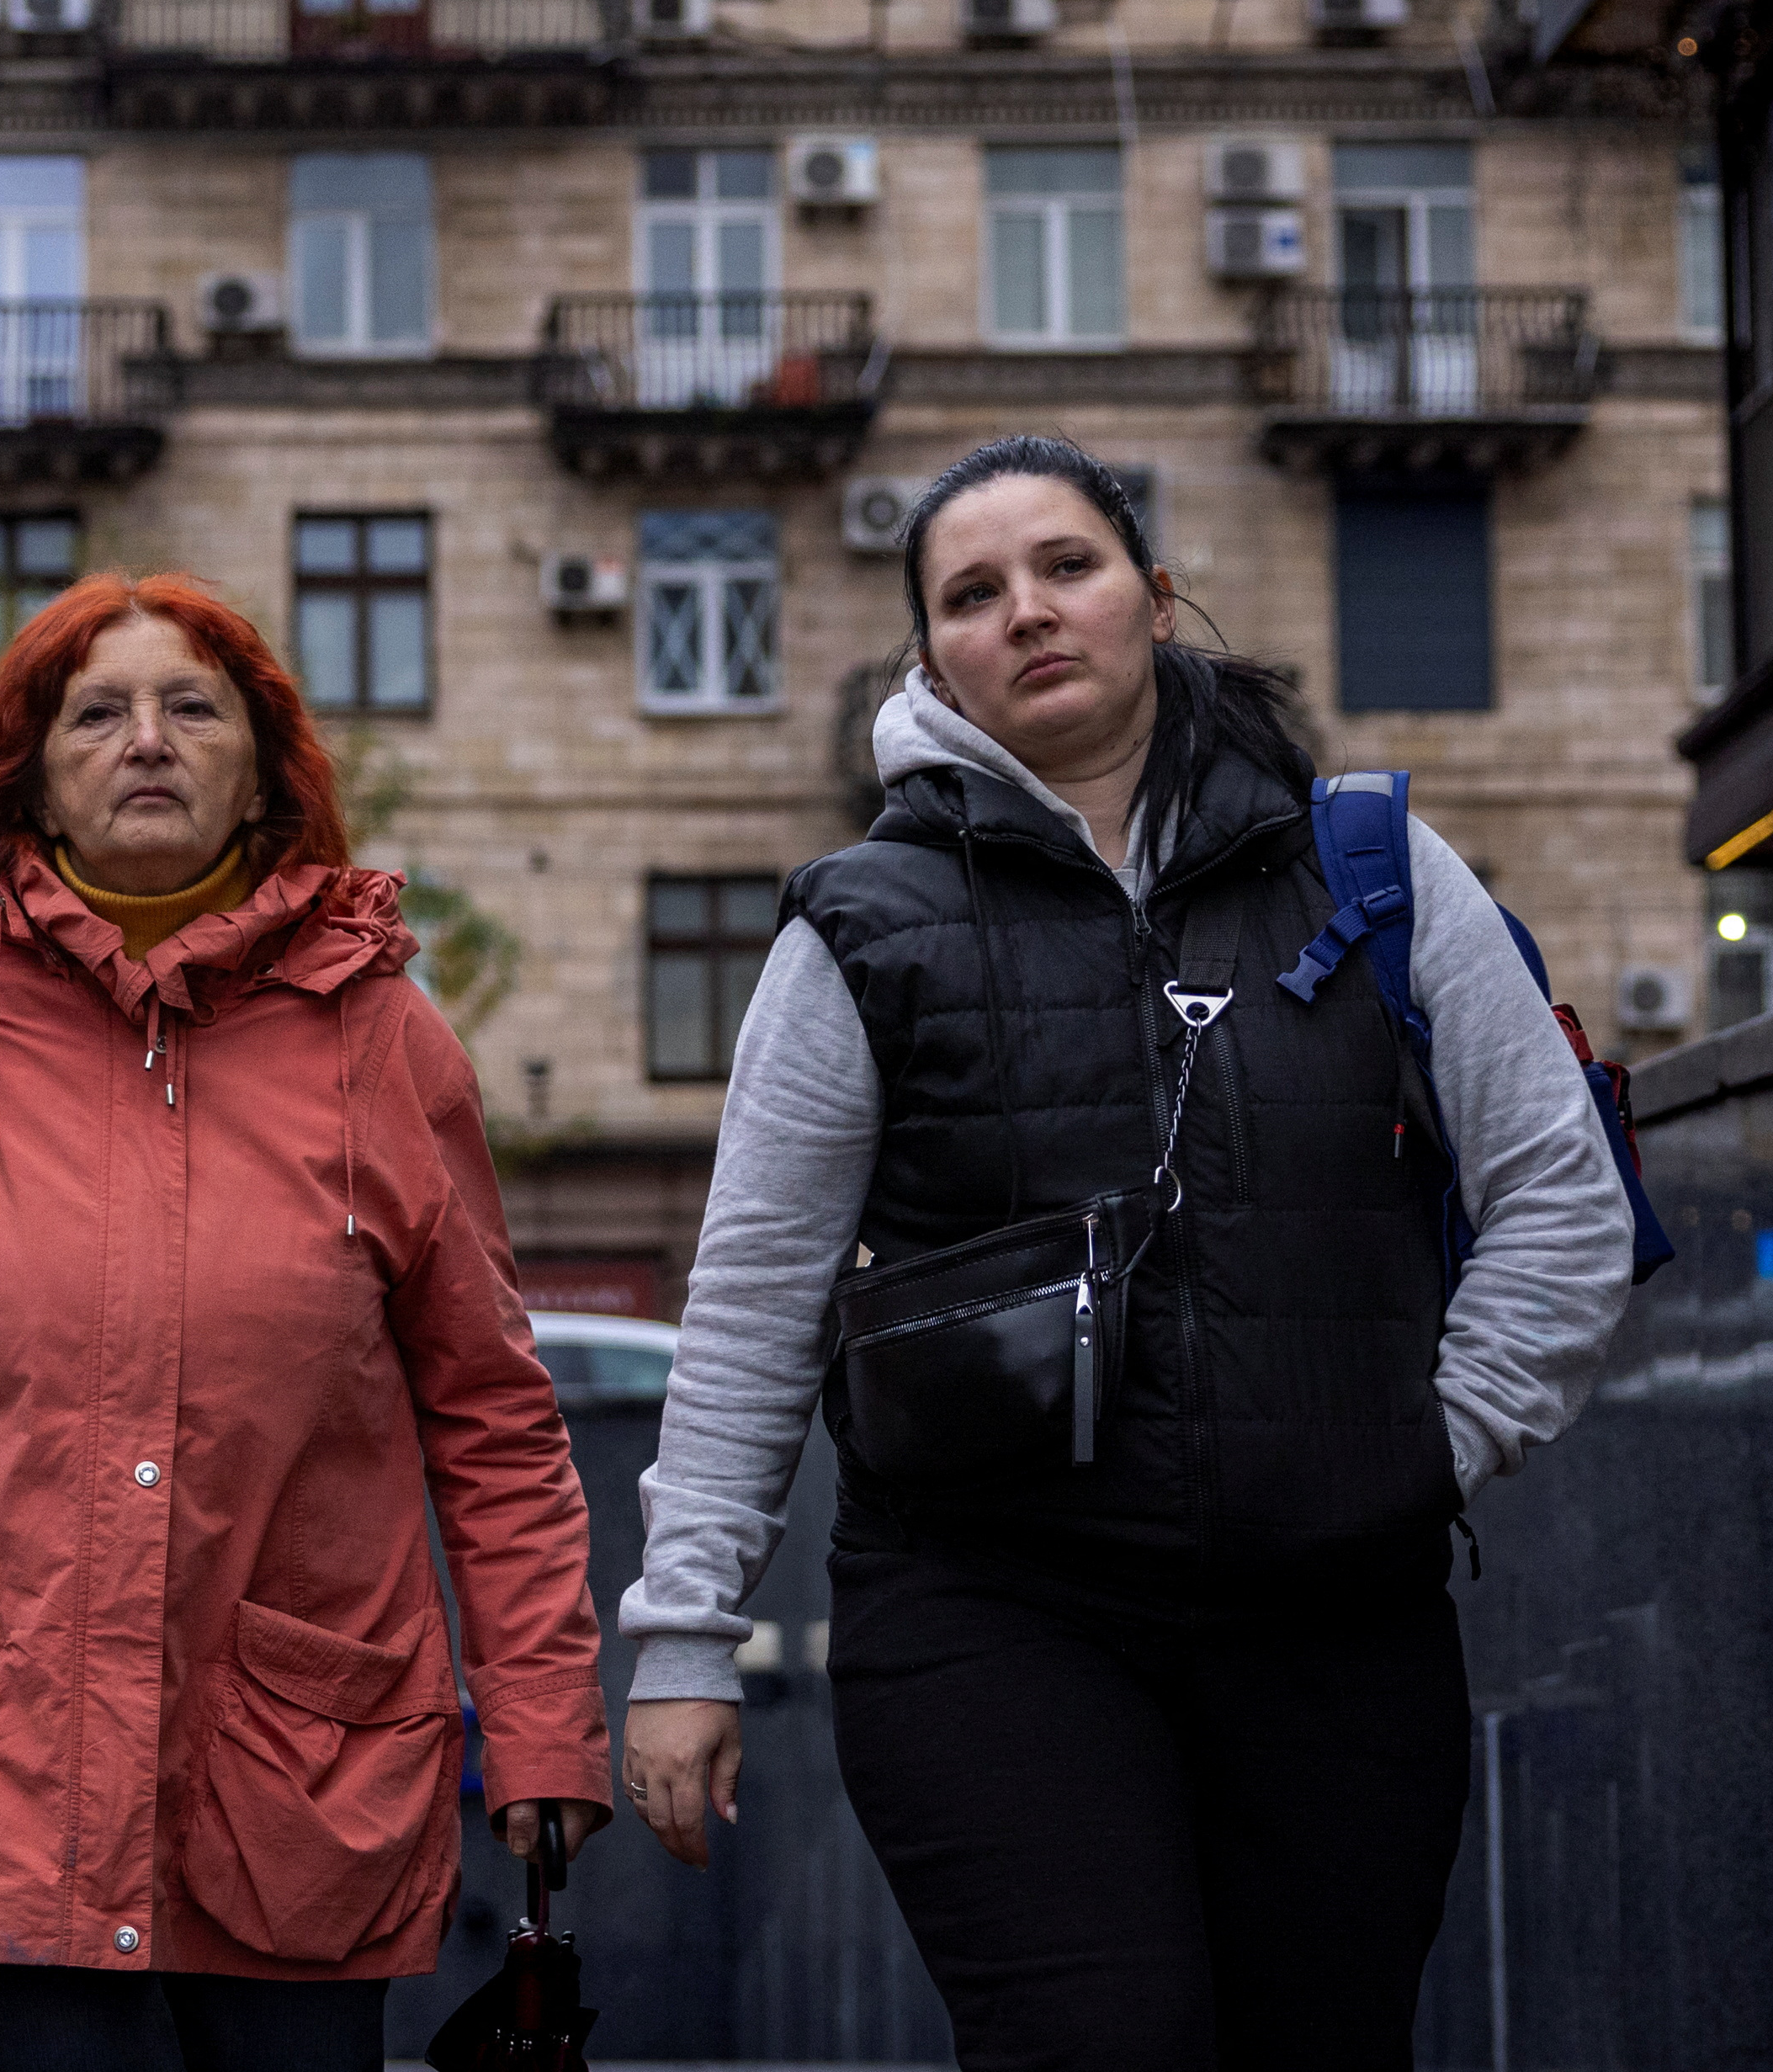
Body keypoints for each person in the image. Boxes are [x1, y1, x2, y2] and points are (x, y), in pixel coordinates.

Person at [618, 435, 1639, 2072]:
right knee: (1103, 2038)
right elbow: (748, 1308)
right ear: (931, 656)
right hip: (991, 1605)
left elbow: (1560, 1204)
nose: (1025, 609)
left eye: (1066, 565)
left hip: (1335, 1617)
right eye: (971, 591)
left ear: (1154, 600)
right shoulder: (860, 925)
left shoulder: (1367, 866)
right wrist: (683, 1636)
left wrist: (1428, 1443)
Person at [0, 573, 613, 2072]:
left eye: (190, 707)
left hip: (299, 1785)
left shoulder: (381, 1037)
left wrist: (540, 1723)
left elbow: (493, 1417)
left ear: (265, 769)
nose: (146, 740)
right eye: (99, 712)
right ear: (34, 773)